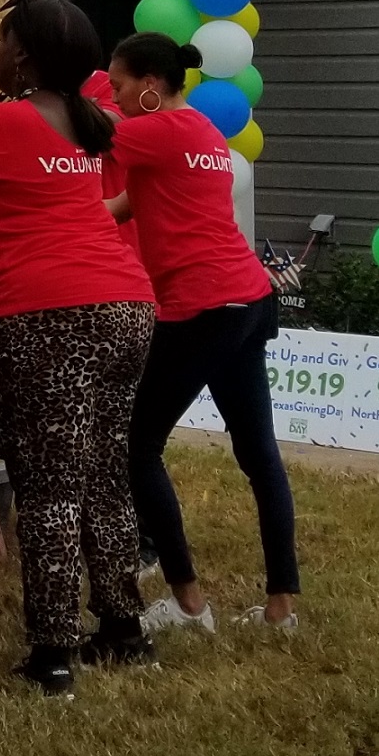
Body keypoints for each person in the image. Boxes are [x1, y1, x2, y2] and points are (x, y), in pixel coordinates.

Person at [0, 0, 157, 697]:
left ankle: (53, 652)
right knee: (104, 471)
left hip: (50, 313)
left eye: (1, 37)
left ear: (25, 58)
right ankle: (123, 627)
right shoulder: (87, 121)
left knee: (48, 484)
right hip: (126, 305)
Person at [105, 32, 296, 635]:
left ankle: (189, 603)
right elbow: (133, 204)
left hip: (203, 307)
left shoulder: (151, 132)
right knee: (259, 453)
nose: (113, 96)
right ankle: (281, 607)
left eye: (119, 86)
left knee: (137, 446)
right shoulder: (204, 135)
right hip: (249, 300)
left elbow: (76, 134)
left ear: (151, 89)